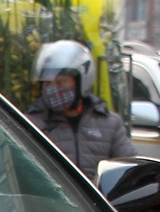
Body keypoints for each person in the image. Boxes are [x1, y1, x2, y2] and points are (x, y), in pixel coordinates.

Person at [24, 40, 133, 175]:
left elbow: (130, 168)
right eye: (47, 82)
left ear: (82, 81)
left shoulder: (109, 124)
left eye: (61, 81)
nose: (53, 88)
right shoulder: (31, 125)